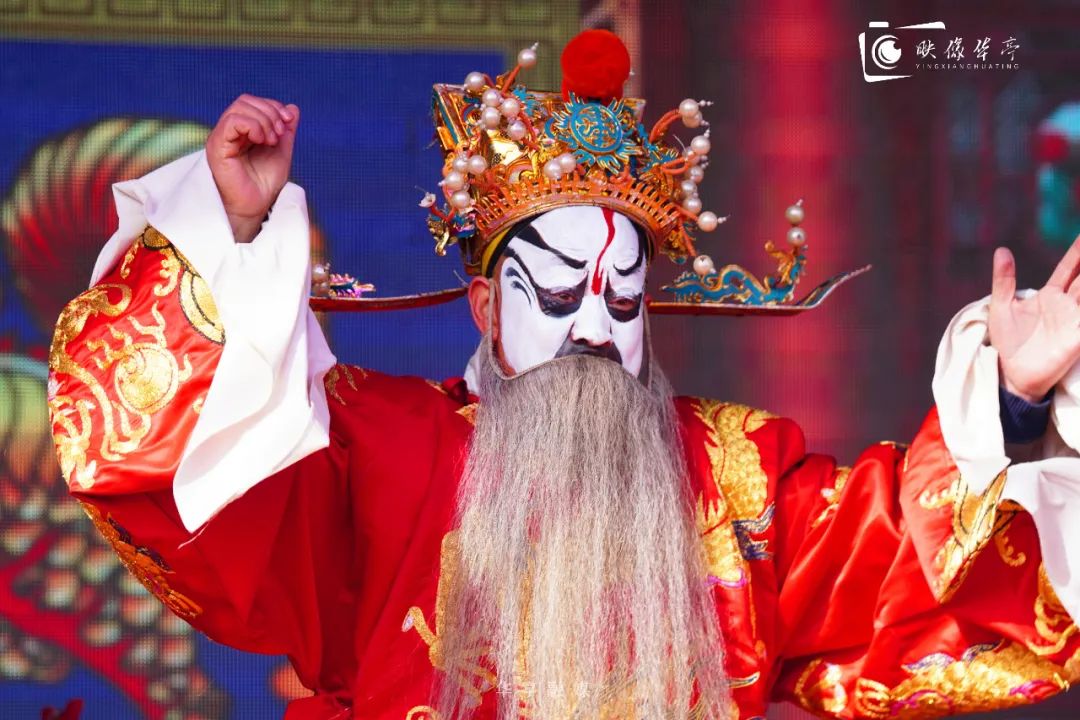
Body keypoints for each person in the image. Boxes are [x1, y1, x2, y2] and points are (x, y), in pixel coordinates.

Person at [48, 30, 1080, 720]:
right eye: (553, 292)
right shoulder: (381, 452)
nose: (593, 324)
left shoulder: (734, 478)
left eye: (623, 300)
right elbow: (185, 464)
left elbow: (902, 568)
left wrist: (1016, 398)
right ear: (485, 307)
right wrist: (235, 232)